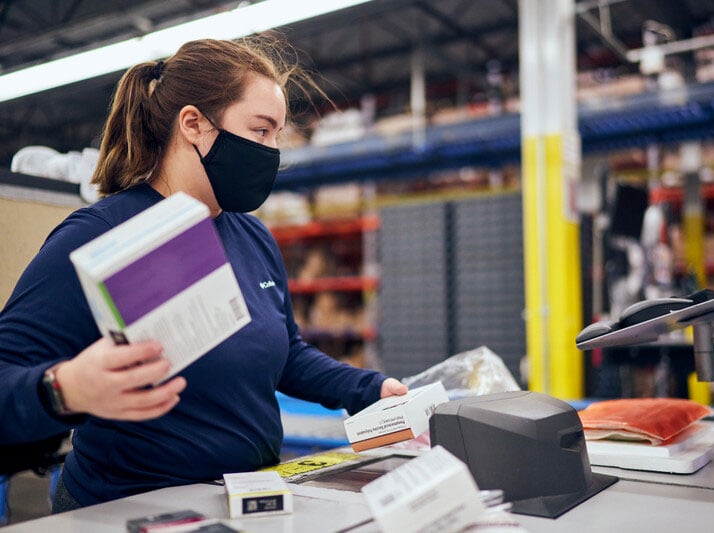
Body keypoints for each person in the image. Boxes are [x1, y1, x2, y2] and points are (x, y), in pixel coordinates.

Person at [0, 37, 408, 512]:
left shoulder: (251, 237)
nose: (272, 151)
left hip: (244, 502)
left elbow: (284, 351)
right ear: (194, 124)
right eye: (260, 131)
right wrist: (63, 388)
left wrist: (368, 390)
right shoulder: (100, 235)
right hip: (127, 510)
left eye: (278, 134)